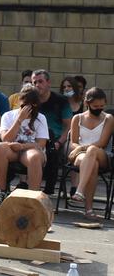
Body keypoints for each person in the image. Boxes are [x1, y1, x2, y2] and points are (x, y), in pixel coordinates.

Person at [0, 86, 48, 209]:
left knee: (34, 156)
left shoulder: (41, 118)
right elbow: (5, 138)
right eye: (23, 106)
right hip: (12, 150)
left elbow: (41, 144)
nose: (27, 111)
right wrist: (19, 120)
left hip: (30, 150)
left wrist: (22, 146)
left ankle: (32, 198)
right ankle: (2, 191)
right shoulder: (8, 116)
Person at [67, 87, 113, 220]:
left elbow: (102, 143)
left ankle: (79, 190)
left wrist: (81, 148)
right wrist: (78, 149)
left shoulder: (108, 118)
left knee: (92, 151)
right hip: (82, 157)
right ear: (87, 104)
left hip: (102, 153)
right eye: (95, 106)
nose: (99, 108)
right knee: (92, 164)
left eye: (102, 106)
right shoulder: (77, 118)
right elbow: (73, 142)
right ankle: (89, 210)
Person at [32, 69, 72, 194]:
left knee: (52, 149)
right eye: (34, 83)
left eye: (40, 81)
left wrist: (59, 142)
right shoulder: (30, 101)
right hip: (35, 138)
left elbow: (68, 126)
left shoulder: (61, 101)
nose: (37, 85)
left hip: (56, 139)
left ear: (48, 82)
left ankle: (49, 188)